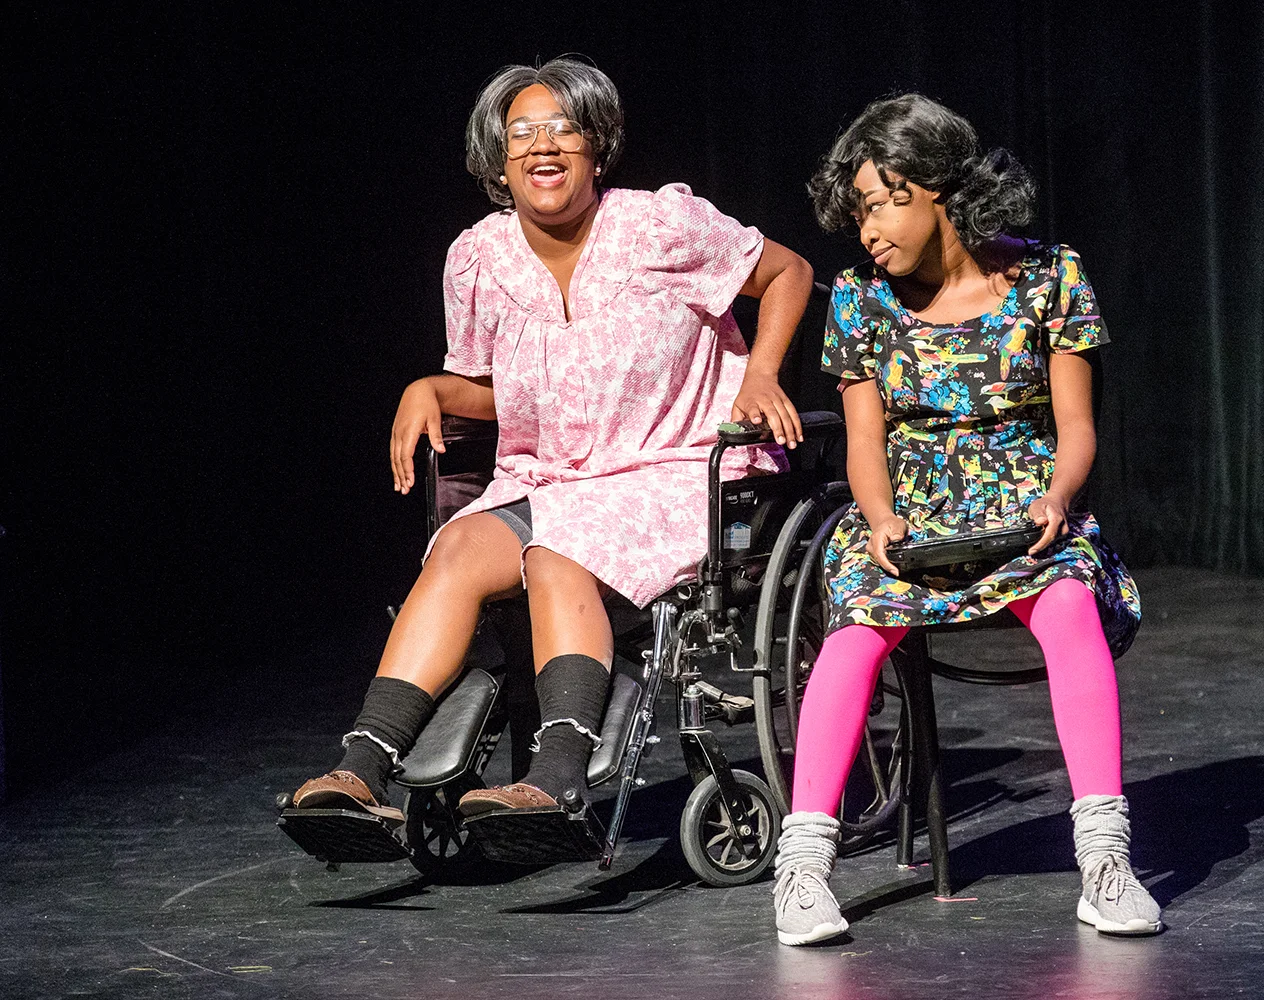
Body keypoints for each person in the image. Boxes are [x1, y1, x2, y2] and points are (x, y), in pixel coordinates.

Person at [285, 57, 812, 855]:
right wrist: (430, 388)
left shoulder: (660, 226)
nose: (543, 146)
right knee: (460, 547)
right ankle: (360, 770)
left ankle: (557, 777)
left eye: (564, 129)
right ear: (497, 161)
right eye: (522, 133)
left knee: (558, 550)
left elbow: (789, 271)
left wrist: (762, 373)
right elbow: (500, 390)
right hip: (551, 476)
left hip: (673, 468)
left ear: (596, 147)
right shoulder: (479, 258)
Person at [771, 94, 1159, 945]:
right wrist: (879, 517)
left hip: (1024, 502)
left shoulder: (1052, 275)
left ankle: (1105, 859)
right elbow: (864, 441)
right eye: (858, 213)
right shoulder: (861, 298)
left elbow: (1077, 426)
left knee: (1067, 602)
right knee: (855, 628)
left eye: (880, 205)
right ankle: (801, 870)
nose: (867, 230)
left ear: (937, 189)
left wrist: (1057, 496)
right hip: (908, 510)